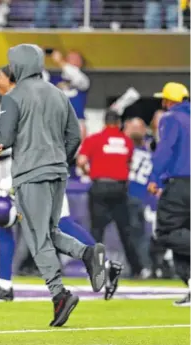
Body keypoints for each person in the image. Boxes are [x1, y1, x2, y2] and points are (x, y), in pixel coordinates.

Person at [0, 44, 106, 327]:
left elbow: (3, 139)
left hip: (30, 172)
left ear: (17, 65)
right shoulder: (58, 93)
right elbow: (74, 136)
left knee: (36, 236)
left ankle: (59, 294)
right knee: (49, 231)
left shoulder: (13, 96)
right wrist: (60, 160)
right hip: (58, 172)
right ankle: (87, 253)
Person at [0, 175, 123, 301]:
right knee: (3, 226)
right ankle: (4, 285)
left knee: (59, 228)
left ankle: (105, 265)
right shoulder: (3, 192)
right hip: (28, 179)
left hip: (47, 185)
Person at [77, 110, 146, 277]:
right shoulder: (126, 141)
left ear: (105, 122)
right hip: (119, 188)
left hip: (100, 186)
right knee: (126, 231)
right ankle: (137, 269)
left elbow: (81, 161)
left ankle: (95, 269)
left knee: (96, 231)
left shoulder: (94, 139)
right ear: (118, 123)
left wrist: (88, 172)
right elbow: (129, 163)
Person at [148, 82, 190, 306]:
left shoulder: (172, 118)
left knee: (166, 231)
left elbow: (165, 150)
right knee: (184, 234)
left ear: (168, 101)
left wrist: (155, 177)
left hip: (182, 183)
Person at [124, 117, 153, 277]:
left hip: (135, 196)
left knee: (137, 235)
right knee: (139, 234)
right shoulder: (149, 148)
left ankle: (143, 266)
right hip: (143, 196)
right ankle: (144, 266)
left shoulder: (128, 146)